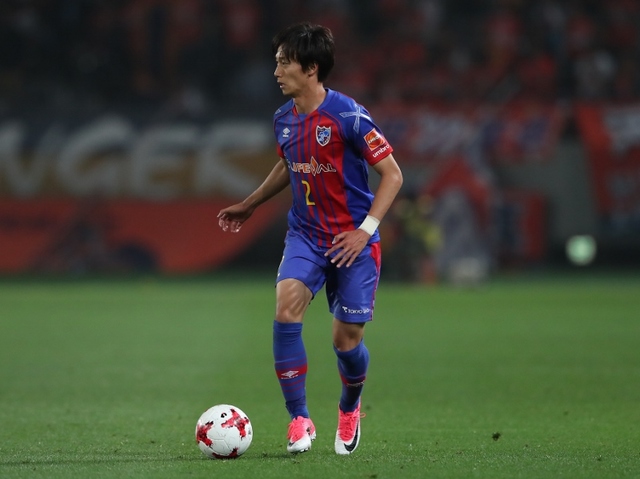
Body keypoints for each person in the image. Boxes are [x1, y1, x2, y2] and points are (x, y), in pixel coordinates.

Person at [217, 22, 403, 455]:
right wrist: (251, 203)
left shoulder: (349, 116)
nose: (276, 71)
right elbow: (289, 162)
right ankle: (299, 418)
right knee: (286, 307)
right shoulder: (283, 118)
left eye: (285, 63)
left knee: (346, 341)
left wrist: (364, 232)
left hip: (353, 241)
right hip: (305, 235)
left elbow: (393, 175)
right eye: (276, 62)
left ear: (311, 67)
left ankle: (349, 406)